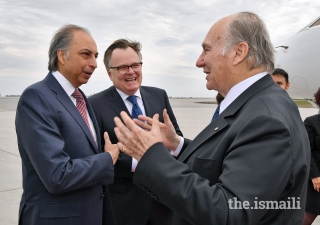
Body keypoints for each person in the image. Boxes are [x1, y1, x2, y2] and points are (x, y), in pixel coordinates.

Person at [113, 12, 310, 224]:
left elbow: (229, 213)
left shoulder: (266, 119)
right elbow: (231, 159)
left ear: (239, 52)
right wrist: (177, 145)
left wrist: (151, 155)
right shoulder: (258, 103)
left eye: (206, 49)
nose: (199, 61)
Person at [15, 25, 119, 225]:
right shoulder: (37, 98)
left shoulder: (80, 98)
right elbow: (57, 175)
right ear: (62, 56)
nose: (95, 63)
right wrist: (107, 158)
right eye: (86, 54)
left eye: (96, 56)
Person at [89, 39, 183, 225]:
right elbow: (99, 153)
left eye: (135, 65)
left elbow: (174, 138)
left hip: (163, 201)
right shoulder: (94, 105)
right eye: (123, 67)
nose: (131, 71)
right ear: (110, 73)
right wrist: (141, 161)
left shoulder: (159, 95)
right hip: (122, 206)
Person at [303, 88, 320, 225]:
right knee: (307, 216)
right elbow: (306, 150)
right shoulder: (311, 122)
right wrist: (314, 176)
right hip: (317, 180)